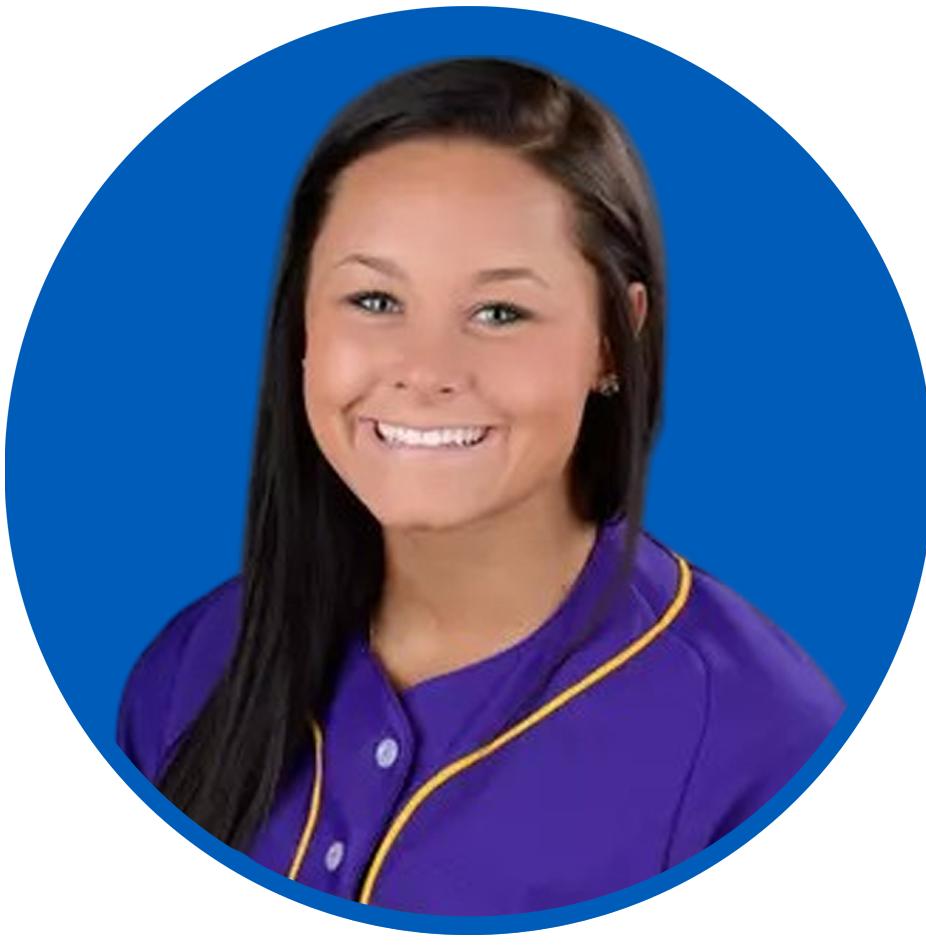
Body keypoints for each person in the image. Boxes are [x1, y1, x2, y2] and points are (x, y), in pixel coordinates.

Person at [117, 57, 844, 915]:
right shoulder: (192, 667)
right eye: (374, 300)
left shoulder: (764, 745)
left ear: (613, 339)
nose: (425, 370)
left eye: (500, 312)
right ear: (301, 320)